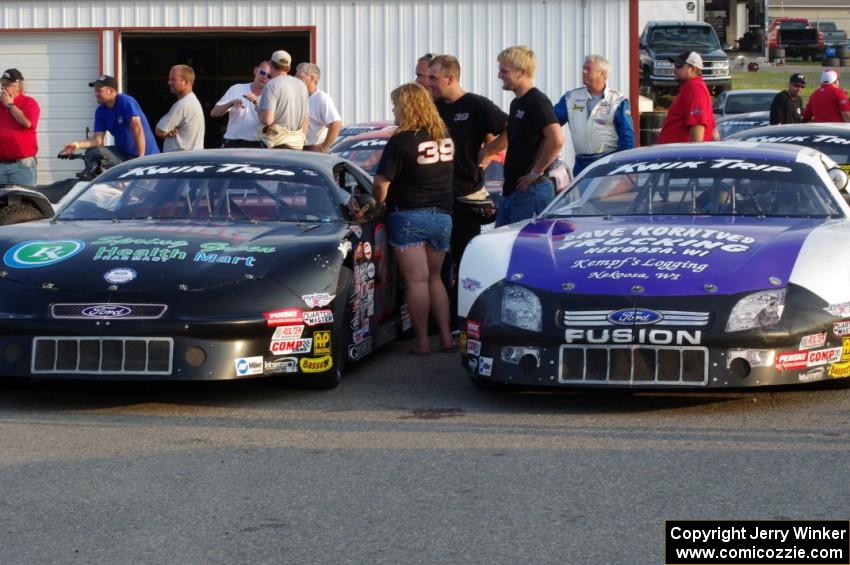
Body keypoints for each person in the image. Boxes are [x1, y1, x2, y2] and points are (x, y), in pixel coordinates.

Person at [372, 83, 456, 356]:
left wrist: (377, 203)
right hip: (442, 216)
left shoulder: (401, 140)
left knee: (417, 282)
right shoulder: (444, 137)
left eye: (396, 105)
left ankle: (421, 342)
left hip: (409, 216)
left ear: (407, 107)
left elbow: (382, 182)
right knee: (435, 279)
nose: (393, 110)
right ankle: (445, 338)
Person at [427, 54, 507, 302]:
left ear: (450, 78)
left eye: (434, 78)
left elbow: (511, 128)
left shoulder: (476, 105)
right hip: (437, 199)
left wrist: (489, 152)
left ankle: (464, 317)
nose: (429, 83)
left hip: (467, 197)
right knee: (437, 266)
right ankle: (442, 319)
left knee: (465, 261)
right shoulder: (433, 107)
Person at [482, 45, 564, 226]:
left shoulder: (537, 101)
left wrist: (534, 173)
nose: (499, 75)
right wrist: (483, 154)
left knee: (526, 248)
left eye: (504, 71)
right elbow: (508, 139)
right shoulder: (517, 103)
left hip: (531, 191)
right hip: (513, 192)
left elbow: (557, 139)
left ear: (522, 72)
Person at [553, 54, 634, 175]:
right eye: (583, 69)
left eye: (588, 69)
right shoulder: (571, 98)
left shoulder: (617, 100)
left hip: (608, 163)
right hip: (581, 165)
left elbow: (627, 139)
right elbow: (550, 121)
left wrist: (626, 171)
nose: (583, 72)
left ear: (602, 73)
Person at [62, 75, 159, 166]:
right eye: (95, 90)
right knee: (93, 153)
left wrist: (140, 159)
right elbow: (97, 140)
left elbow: (137, 128)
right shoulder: (100, 111)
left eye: (99, 90)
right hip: (124, 155)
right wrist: (77, 144)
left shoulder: (125, 101)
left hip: (147, 156)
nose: (96, 93)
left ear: (111, 90)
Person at [657, 51, 717, 143]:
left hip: (678, 154)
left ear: (692, 68)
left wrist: (694, 155)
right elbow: (714, 133)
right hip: (675, 153)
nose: (675, 69)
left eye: (679, 65)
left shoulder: (694, 88)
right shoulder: (694, 87)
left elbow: (697, 125)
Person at [210, 60, 271, 148]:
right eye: (262, 72)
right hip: (232, 142)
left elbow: (270, 122)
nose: (264, 77)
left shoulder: (271, 97)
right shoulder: (236, 88)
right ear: (255, 71)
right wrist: (230, 104)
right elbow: (214, 113)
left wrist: (257, 103)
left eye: (269, 76)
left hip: (258, 144)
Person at [258, 50, 309, 150]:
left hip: (277, 146)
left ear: (270, 64)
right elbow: (306, 119)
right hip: (297, 145)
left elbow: (268, 120)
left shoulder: (271, 85)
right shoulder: (302, 85)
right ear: (289, 68)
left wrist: (258, 110)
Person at [0, 68, 40, 186]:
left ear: (18, 86)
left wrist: (10, 106)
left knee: (25, 202)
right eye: (2, 84)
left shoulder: (29, 102)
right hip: (1, 165)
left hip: (22, 167)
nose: (3, 88)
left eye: (7, 85)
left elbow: (27, 123)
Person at [156, 64, 205, 152]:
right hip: (190, 158)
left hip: (179, 160)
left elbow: (160, 130)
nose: (169, 82)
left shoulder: (183, 104)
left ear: (185, 82)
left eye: (173, 79)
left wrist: (167, 131)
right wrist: (169, 130)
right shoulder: (193, 101)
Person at [295, 63, 343, 152]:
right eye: (295, 77)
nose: (296, 80)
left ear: (312, 78)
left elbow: (336, 123)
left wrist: (323, 147)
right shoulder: (297, 98)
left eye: (300, 77)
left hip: (311, 151)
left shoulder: (321, 98)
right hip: (298, 149)